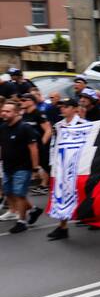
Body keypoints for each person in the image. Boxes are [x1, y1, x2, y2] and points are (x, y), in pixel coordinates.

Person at [45, 98, 90, 240]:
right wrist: (53, 164)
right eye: (61, 106)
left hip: (81, 167)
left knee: (86, 194)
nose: (62, 109)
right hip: (63, 168)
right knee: (62, 195)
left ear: (74, 108)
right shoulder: (58, 126)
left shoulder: (85, 125)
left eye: (65, 106)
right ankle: (62, 226)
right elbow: (55, 145)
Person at [1, 98, 46, 232]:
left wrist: (35, 168)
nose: (4, 113)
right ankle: (34, 210)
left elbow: (33, 149)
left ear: (16, 113)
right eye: (3, 111)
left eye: (7, 111)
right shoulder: (2, 127)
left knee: (19, 194)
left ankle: (22, 222)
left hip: (22, 167)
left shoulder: (25, 128)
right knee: (9, 192)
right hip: (7, 166)